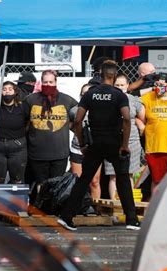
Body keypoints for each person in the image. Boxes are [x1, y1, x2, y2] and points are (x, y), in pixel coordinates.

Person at [58, 60, 140, 231]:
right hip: (114, 142)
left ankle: (66, 217)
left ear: (100, 75)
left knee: (84, 180)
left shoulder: (90, 94)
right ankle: (131, 220)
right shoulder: (119, 95)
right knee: (123, 178)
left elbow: (78, 120)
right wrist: (124, 144)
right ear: (114, 76)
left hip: (95, 142)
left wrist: (82, 144)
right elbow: (126, 118)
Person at [24, 69, 77, 190]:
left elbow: (78, 119)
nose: (48, 85)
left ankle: (53, 209)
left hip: (59, 153)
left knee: (56, 186)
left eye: (51, 82)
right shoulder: (30, 100)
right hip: (37, 153)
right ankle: (40, 208)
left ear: (56, 82)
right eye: (45, 82)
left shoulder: (67, 100)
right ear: (41, 82)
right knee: (41, 185)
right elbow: (24, 122)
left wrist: (67, 126)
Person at [104, 74, 145, 200]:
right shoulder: (107, 99)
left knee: (128, 174)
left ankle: (128, 205)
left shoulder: (134, 100)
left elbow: (142, 116)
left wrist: (138, 123)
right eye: (117, 85)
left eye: (122, 85)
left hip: (132, 140)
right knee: (113, 175)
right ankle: (114, 205)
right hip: (112, 140)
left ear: (128, 86)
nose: (120, 87)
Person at [0, 81, 29, 183]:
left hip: (18, 147)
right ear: (1, 92)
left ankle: (15, 199)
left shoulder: (22, 106)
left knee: (17, 180)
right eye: (4, 89)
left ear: (15, 92)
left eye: (10, 89)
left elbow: (28, 122)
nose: (7, 92)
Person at [69, 84, 101, 200]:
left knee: (94, 181)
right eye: (83, 94)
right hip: (77, 148)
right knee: (77, 181)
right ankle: (77, 209)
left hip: (95, 149)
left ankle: (96, 208)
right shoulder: (74, 110)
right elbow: (70, 125)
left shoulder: (102, 109)